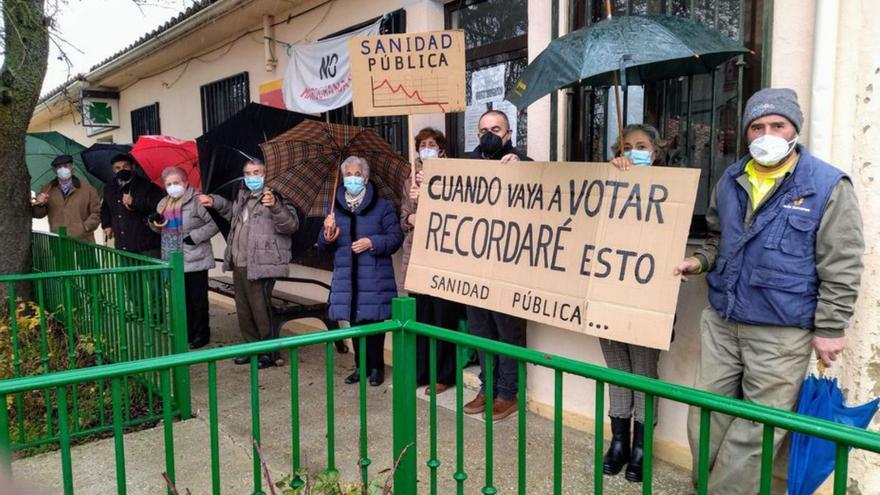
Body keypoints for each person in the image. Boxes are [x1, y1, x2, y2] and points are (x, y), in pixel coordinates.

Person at [675, 88, 864, 494]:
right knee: (705, 415)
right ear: (746, 132)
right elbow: (718, 239)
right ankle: (705, 486)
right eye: (757, 127)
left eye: (777, 125)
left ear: (795, 129)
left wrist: (831, 327)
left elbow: (842, 263)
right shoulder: (731, 178)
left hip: (782, 331)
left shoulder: (828, 185)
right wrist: (700, 261)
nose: (766, 135)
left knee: (756, 430)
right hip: (723, 320)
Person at [603, 124, 668, 483]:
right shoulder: (605, 182)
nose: (633, 152)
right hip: (609, 294)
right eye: (626, 147)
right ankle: (619, 442)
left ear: (655, 153)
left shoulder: (671, 188)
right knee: (616, 369)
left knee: (643, 372)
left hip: (647, 299)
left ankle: (642, 447)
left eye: (641, 146)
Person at [461, 110, 531, 421]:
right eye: (484, 130)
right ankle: (486, 387)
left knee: (507, 332)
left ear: (509, 133)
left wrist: (522, 169)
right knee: (480, 331)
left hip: (508, 267)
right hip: (474, 265)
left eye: (496, 129)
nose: (489, 134)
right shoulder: (465, 165)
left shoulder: (524, 163)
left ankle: (507, 393)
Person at [199, 159, 299, 369]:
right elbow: (232, 215)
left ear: (266, 174)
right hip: (240, 262)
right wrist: (215, 201)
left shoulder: (277, 196)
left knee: (261, 312)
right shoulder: (243, 196)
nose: (252, 177)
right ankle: (251, 348)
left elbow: (290, 225)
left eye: (256, 172)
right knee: (244, 311)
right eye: (248, 173)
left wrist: (275, 206)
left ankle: (269, 353)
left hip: (262, 265)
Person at [320, 156, 403, 387]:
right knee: (355, 323)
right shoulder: (334, 208)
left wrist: (372, 242)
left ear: (365, 178)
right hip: (347, 276)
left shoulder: (383, 206)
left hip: (374, 276)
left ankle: (377, 367)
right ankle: (360, 366)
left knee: (374, 324)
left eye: (357, 174)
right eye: (348, 174)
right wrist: (327, 234)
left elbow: (395, 237)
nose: (353, 179)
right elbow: (324, 245)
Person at [400, 127, 467, 395]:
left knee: (443, 318)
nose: (426, 149)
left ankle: (444, 374)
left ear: (441, 149)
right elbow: (403, 216)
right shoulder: (409, 180)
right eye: (422, 145)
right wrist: (410, 217)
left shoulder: (453, 175)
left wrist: (428, 197)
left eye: (431, 144)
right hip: (416, 256)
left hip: (442, 258)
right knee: (421, 317)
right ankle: (421, 371)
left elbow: (456, 213)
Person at [148, 166, 219, 350]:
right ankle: (187, 332)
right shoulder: (163, 204)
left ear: (186, 182)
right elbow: (161, 229)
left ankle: (201, 334)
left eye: (176, 182)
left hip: (195, 258)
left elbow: (214, 223)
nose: (173, 187)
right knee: (181, 299)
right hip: (173, 259)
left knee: (197, 300)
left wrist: (194, 237)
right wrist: (153, 222)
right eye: (169, 184)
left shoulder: (197, 201)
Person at [100, 153, 164, 258]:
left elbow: (157, 207)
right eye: (117, 168)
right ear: (113, 170)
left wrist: (134, 202)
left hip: (146, 245)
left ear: (132, 167)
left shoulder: (146, 185)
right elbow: (105, 208)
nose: (122, 170)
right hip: (123, 245)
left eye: (125, 166)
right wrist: (107, 225)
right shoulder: (110, 187)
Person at [32, 155, 101, 242]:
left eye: (66, 166)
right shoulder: (47, 189)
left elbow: (97, 212)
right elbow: (38, 214)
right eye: (59, 167)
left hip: (83, 242)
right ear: (54, 170)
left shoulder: (88, 189)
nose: (62, 169)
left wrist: (85, 227)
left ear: (72, 167)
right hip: (58, 240)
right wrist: (40, 204)